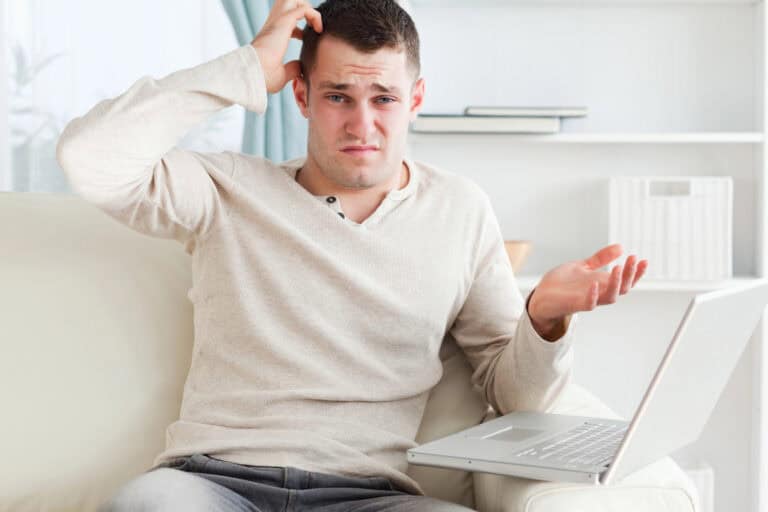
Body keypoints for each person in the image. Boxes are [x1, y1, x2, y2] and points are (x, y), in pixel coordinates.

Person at [56, 0, 647, 510]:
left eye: (383, 98)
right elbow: (89, 157)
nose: (361, 125)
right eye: (338, 96)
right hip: (211, 483)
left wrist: (543, 319)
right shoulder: (226, 191)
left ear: (415, 99)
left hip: (369, 495)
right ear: (302, 95)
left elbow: (516, 398)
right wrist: (246, 68)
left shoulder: (460, 210)